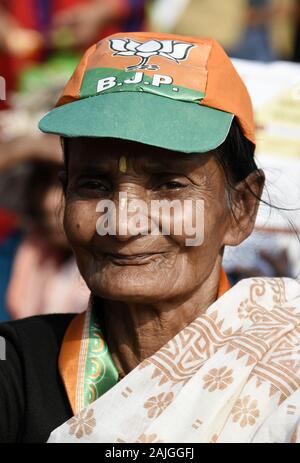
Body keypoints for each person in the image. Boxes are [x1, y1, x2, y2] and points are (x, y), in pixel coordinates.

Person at [0, 32, 299, 443]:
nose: (122, 223)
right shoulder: (14, 370)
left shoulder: (288, 364)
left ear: (241, 207)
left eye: (169, 185)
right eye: (93, 184)